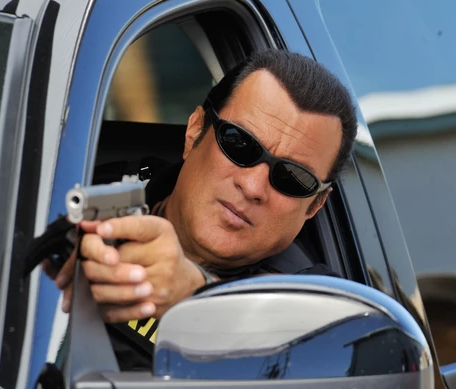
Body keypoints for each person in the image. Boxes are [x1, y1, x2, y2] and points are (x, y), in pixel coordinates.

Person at [43, 49, 358, 369]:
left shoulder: (318, 306)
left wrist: (197, 298)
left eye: (291, 178)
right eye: (239, 144)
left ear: (315, 204)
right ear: (194, 131)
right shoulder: (75, 184)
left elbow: (352, 358)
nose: (252, 187)